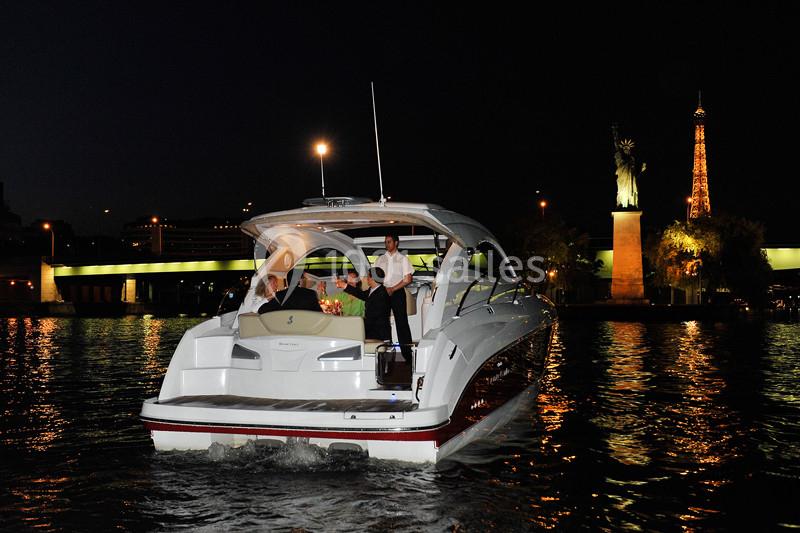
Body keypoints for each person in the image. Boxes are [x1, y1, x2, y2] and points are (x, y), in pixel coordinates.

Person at [374, 234, 414, 363]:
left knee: (401, 322)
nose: (387, 244)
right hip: (383, 291)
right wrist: (384, 289)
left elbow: (408, 279)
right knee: (382, 322)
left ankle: (408, 356)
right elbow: (375, 277)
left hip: (397, 292)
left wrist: (393, 289)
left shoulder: (403, 259)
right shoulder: (380, 259)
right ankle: (385, 353)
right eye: (385, 242)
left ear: (396, 243)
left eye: (389, 242)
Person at [336, 267, 390, 341]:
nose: (367, 278)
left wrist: (357, 323)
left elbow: (374, 316)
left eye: (368, 276)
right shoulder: (372, 290)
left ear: (372, 278)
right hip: (371, 330)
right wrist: (345, 285)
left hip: (379, 333)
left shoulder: (382, 293)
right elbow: (360, 294)